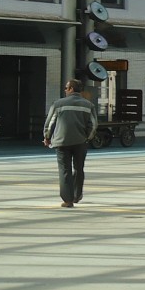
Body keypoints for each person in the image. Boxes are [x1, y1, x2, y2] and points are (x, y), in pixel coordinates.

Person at [43, 79, 98, 208]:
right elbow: (94, 125)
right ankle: (77, 195)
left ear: (72, 89)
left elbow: (50, 123)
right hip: (80, 142)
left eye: (67, 88)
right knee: (79, 169)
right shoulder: (88, 105)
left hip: (61, 142)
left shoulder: (58, 104)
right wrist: (87, 138)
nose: (65, 90)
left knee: (64, 170)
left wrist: (47, 137)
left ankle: (68, 200)